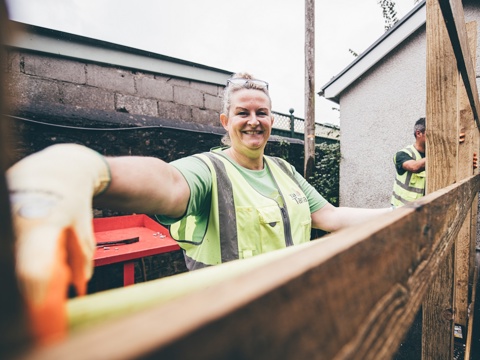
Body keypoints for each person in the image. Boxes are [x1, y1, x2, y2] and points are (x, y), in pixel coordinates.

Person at [7, 72, 392, 343]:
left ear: (272, 120)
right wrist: (90, 168)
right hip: (226, 328)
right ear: (226, 121)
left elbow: (330, 216)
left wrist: (405, 214)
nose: (253, 121)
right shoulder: (209, 169)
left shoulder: (284, 169)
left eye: (262, 113)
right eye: (243, 112)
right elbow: (168, 182)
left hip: (287, 313)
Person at [390, 117, 426, 207]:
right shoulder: (402, 154)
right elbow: (414, 167)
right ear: (419, 133)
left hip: (422, 211)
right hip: (401, 210)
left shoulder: (433, 153)